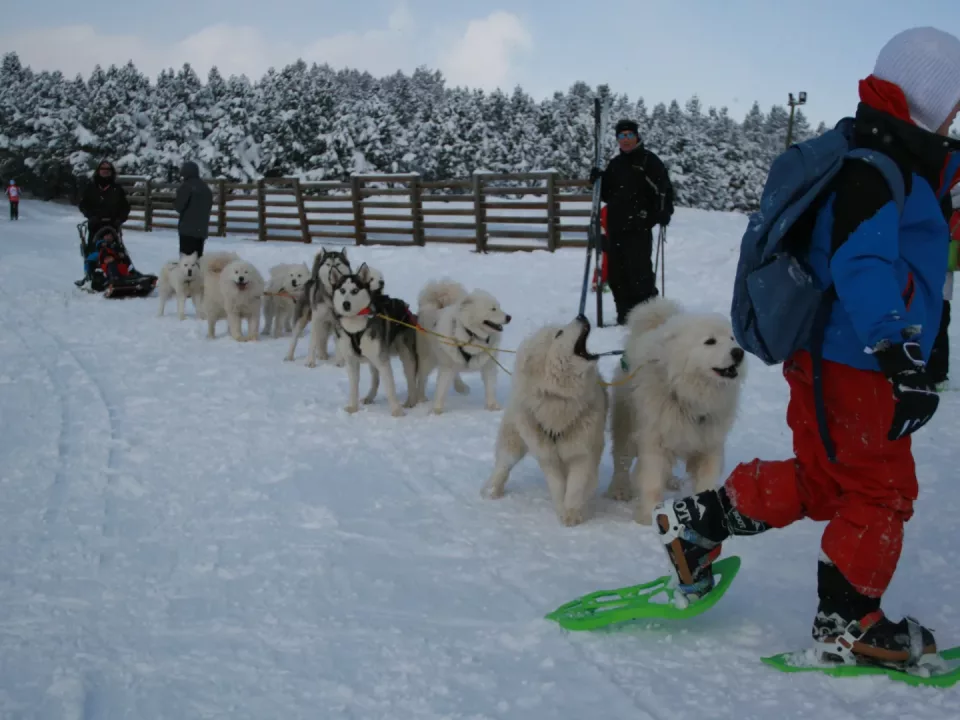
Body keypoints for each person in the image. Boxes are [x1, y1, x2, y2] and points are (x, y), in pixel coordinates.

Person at [652, 26, 960, 670]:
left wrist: (929, 347)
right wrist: (898, 355)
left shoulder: (888, 159)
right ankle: (848, 623)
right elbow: (865, 263)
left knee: (825, 480)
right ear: (929, 100)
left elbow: (916, 271)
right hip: (858, 363)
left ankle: (702, 521)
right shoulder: (877, 168)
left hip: (832, 360)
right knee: (879, 490)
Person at [589, 119, 674, 324]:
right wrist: (598, 180)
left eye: (629, 135)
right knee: (618, 276)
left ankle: (649, 318)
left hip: (638, 227)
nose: (625, 140)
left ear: (636, 136)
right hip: (616, 227)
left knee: (640, 274)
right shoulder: (616, 164)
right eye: (621, 136)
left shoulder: (648, 161)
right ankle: (625, 316)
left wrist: (663, 212)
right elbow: (608, 195)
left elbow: (664, 190)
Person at [78, 160, 130, 238]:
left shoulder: (117, 189)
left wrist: (120, 219)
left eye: (108, 169)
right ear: (98, 171)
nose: (105, 171)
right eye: (103, 168)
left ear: (111, 171)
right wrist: (90, 215)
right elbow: (83, 204)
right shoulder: (91, 188)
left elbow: (125, 207)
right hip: (94, 226)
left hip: (112, 227)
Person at [174, 160, 213, 257]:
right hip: (201, 231)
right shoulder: (206, 188)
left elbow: (179, 206)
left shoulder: (186, 186)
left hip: (187, 230)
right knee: (197, 261)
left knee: (186, 262)